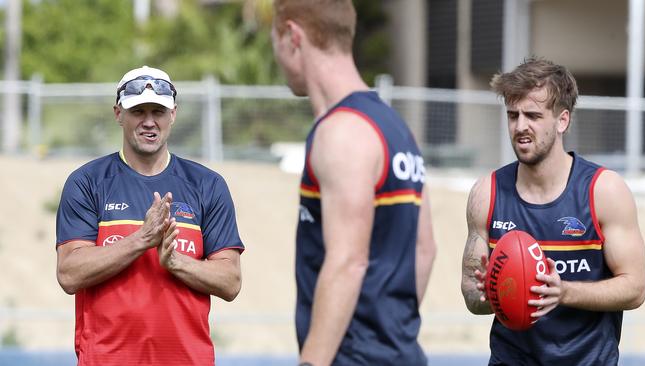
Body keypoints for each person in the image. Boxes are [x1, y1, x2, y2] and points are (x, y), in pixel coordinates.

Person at [271, 1, 437, 365]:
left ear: (292, 36)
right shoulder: (395, 128)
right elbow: (424, 250)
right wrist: (387, 331)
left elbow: (348, 261)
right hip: (400, 353)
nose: (279, 59)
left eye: (276, 45)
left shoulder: (341, 132)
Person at [461, 57, 645, 365]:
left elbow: (636, 287)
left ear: (563, 120)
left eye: (533, 115)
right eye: (513, 115)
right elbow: (471, 294)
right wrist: (489, 292)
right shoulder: (487, 192)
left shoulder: (603, 190)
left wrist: (563, 292)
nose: (520, 126)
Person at [55, 65, 244, 366]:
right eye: (138, 111)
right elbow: (69, 274)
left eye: (158, 111)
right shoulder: (87, 182)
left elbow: (231, 281)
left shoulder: (207, 185)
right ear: (118, 114)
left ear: (173, 115)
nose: (149, 122)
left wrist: (175, 263)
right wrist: (142, 239)